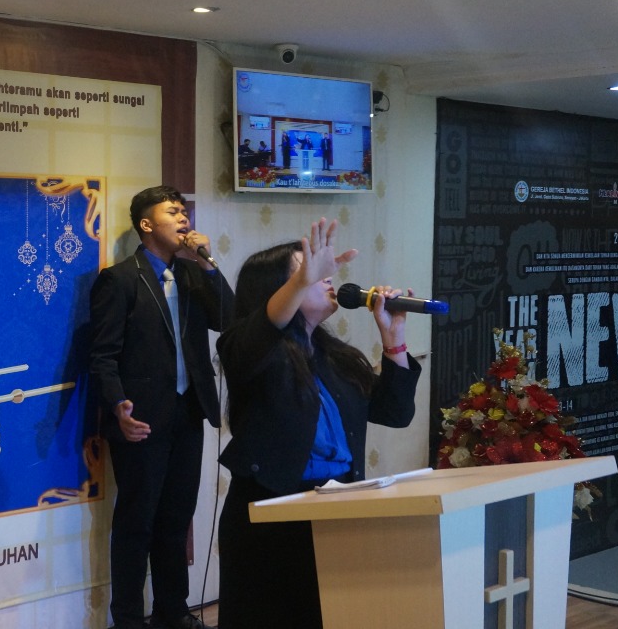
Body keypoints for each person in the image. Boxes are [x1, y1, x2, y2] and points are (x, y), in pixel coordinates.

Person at [214, 218, 420, 629]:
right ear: (277, 290)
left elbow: (396, 413)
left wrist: (393, 337)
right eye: (310, 273)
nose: (328, 279)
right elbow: (260, 333)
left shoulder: (335, 357)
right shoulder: (246, 349)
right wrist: (300, 281)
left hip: (337, 509)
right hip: (272, 515)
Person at [89, 186, 235, 629]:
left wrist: (207, 264)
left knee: (176, 519)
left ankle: (173, 612)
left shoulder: (192, 275)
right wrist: (118, 406)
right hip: (141, 420)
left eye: (184, 211)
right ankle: (129, 620)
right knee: (136, 523)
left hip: (188, 414)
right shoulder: (120, 279)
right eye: (172, 211)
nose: (183, 218)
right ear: (146, 224)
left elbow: (228, 319)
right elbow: (103, 355)